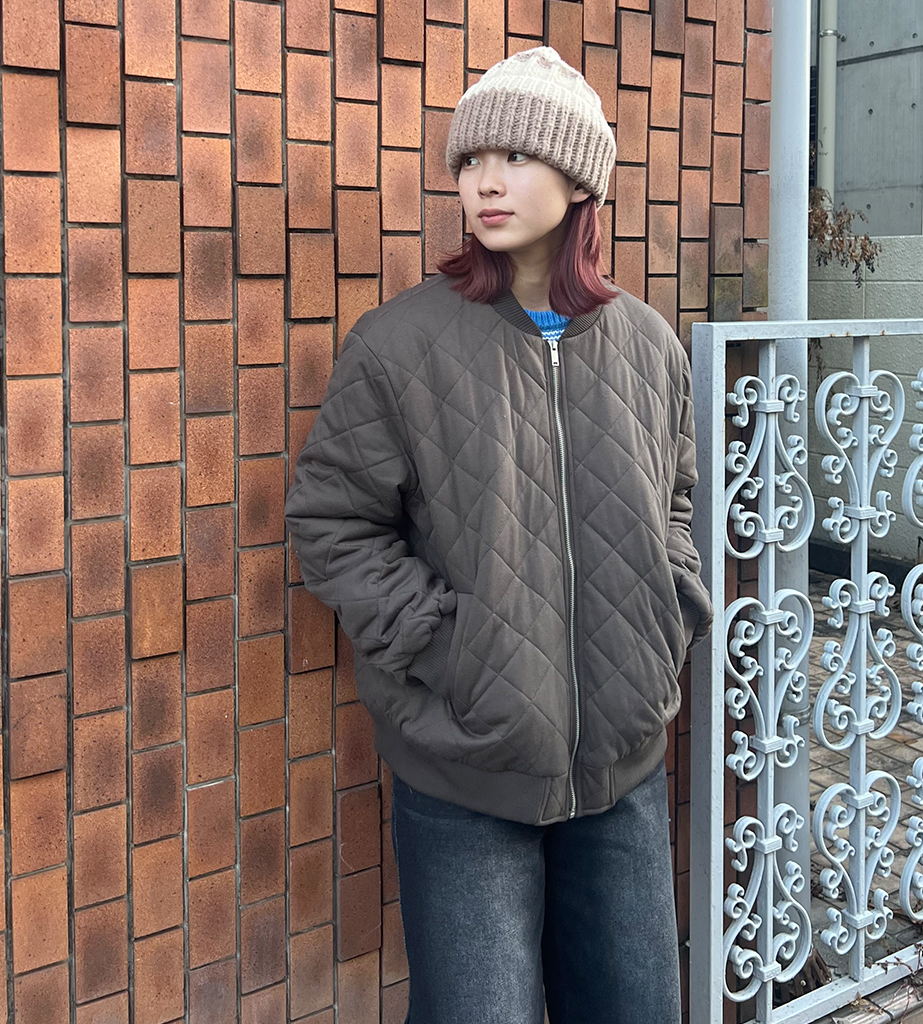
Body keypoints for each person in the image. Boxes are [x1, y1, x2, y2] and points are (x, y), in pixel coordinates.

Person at [285, 45, 713, 1024]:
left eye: (516, 156)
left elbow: (676, 500)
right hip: (465, 770)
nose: (484, 180)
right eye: (472, 159)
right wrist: (454, 652)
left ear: (580, 181)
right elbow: (333, 521)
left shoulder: (648, 346)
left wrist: (667, 618)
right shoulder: (399, 345)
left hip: (622, 771)